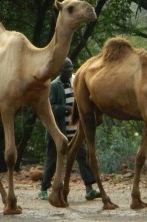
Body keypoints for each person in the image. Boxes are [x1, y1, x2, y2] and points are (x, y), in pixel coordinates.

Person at [39, 58, 101, 201]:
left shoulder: (75, 82)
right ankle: (44, 188)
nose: (69, 70)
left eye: (71, 67)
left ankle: (89, 188)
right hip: (59, 131)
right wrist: (65, 109)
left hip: (75, 130)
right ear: (60, 69)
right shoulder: (54, 86)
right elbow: (49, 108)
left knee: (83, 156)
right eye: (66, 68)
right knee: (52, 159)